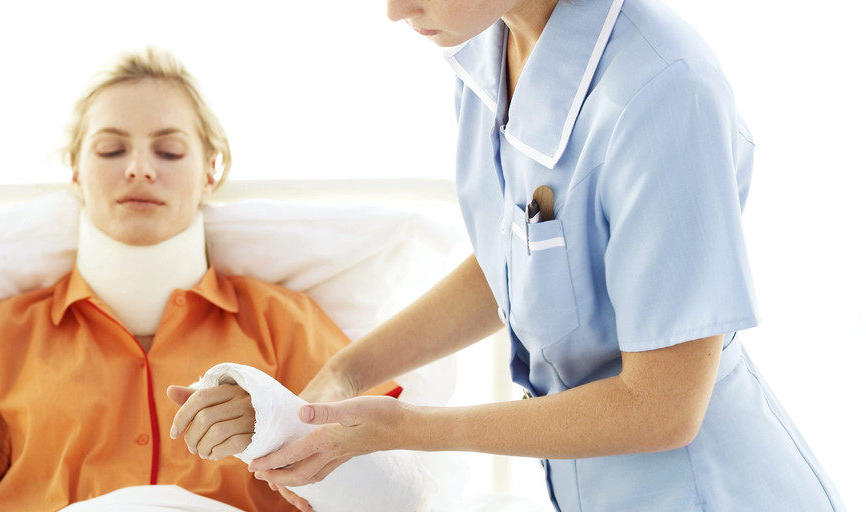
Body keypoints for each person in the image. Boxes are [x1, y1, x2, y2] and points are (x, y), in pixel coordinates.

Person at [245, 1, 846, 511]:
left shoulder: (665, 89)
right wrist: (348, 371)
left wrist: (405, 431)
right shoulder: (488, 47)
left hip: (707, 488)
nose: (396, 9)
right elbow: (522, 259)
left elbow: (663, 408)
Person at [0, 47, 393, 512]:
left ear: (211, 171)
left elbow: (385, 488)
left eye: (168, 152)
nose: (140, 169)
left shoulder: (286, 324)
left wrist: (276, 421)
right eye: (110, 150)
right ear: (76, 171)